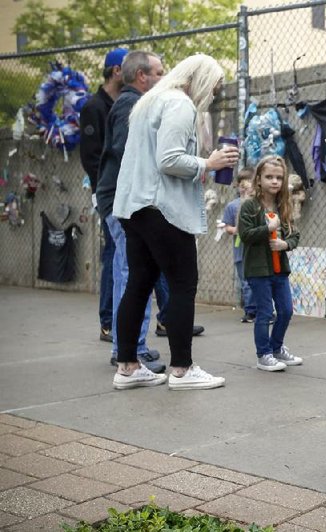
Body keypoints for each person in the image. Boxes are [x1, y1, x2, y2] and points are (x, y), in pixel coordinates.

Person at [111, 54, 237, 391]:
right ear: (199, 80)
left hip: (133, 205)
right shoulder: (180, 104)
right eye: (213, 86)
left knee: (139, 282)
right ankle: (182, 368)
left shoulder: (149, 102)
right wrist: (207, 163)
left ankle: (127, 366)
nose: (213, 93)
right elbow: (169, 160)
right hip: (161, 208)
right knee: (183, 283)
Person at [96, 50, 166, 373]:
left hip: (116, 200)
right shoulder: (130, 105)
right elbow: (129, 154)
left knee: (127, 270)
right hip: (121, 202)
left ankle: (126, 346)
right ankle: (130, 348)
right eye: (159, 73)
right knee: (131, 272)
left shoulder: (128, 104)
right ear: (142, 76)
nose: (163, 79)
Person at [238, 155, 303, 371]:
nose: (274, 181)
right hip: (258, 270)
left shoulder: (283, 205)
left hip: (279, 269)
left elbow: (295, 235)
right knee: (265, 313)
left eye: (278, 177)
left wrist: (285, 244)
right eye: (269, 177)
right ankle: (263, 354)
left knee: (285, 311)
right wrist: (268, 228)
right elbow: (245, 234)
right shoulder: (250, 206)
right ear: (258, 179)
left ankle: (276, 348)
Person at [80, 47, 127, 344]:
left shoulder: (124, 103)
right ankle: (108, 323)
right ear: (116, 71)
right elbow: (90, 156)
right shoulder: (94, 107)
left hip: (130, 192)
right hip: (109, 194)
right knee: (113, 253)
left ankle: (165, 318)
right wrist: (106, 189)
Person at [221, 168, 258, 323]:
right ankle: (251, 311)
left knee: (256, 280)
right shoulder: (233, 206)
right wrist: (238, 230)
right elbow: (226, 226)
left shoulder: (258, 204)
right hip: (241, 249)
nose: (245, 188)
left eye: (249, 184)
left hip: (256, 249)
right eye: (243, 184)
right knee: (246, 280)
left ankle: (258, 309)